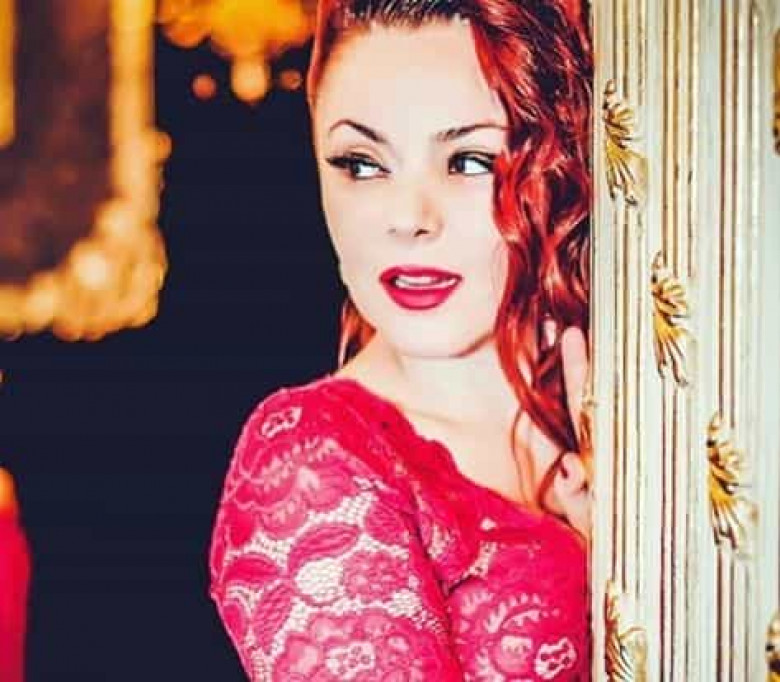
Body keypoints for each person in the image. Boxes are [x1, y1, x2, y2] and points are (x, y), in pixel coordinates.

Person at [209, 0, 593, 678]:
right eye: (361, 164)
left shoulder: (629, 395)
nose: (407, 219)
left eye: (468, 161)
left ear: (556, 160)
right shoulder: (310, 463)